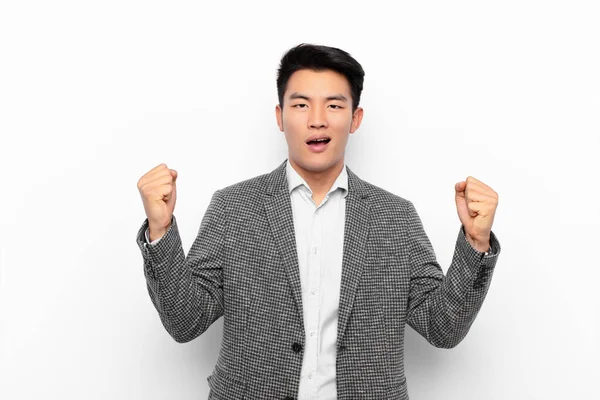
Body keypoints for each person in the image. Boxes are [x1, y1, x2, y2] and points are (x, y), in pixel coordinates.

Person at [135, 43, 501, 400]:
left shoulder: (396, 217)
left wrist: (476, 242)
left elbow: (444, 327)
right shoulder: (234, 208)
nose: (317, 119)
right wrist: (161, 231)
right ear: (280, 117)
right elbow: (185, 321)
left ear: (355, 118)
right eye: (301, 104)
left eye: (334, 105)